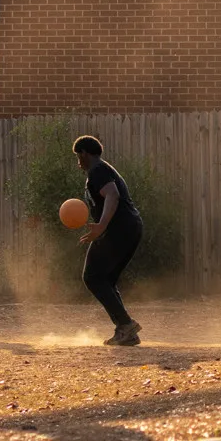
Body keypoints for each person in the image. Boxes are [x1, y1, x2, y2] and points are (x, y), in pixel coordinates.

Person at [72, 134, 144, 346]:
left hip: (119, 230)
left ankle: (125, 325)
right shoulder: (102, 169)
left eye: (78, 156)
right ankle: (126, 330)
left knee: (92, 276)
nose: (78, 161)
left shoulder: (98, 170)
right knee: (106, 279)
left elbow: (112, 195)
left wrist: (101, 226)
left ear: (85, 153)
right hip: (130, 228)